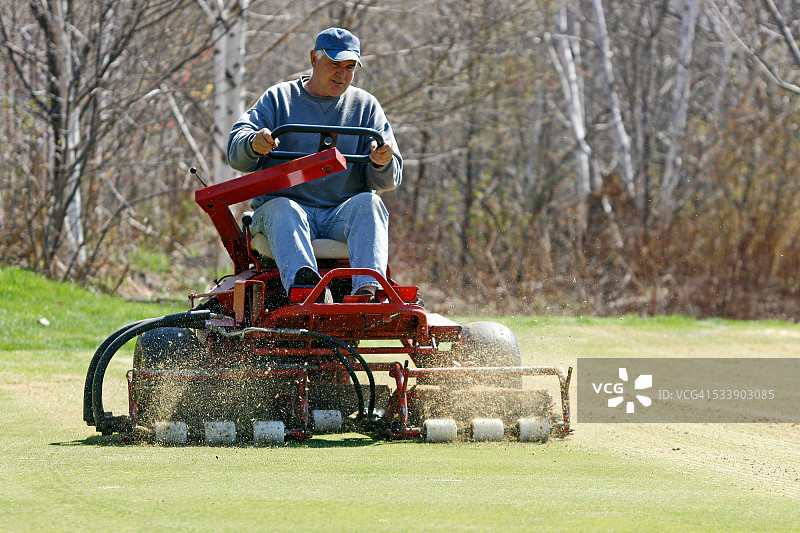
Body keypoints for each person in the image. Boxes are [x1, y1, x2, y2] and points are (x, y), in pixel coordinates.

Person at [227, 27, 402, 300]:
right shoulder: (279, 99)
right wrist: (254, 144)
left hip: (339, 213)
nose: (341, 74)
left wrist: (382, 162)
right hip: (285, 211)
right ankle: (307, 290)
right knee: (284, 208)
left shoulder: (366, 106)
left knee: (371, 203)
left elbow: (390, 179)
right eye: (334, 64)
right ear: (313, 59)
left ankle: (369, 293)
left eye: (349, 67)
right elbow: (236, 150)